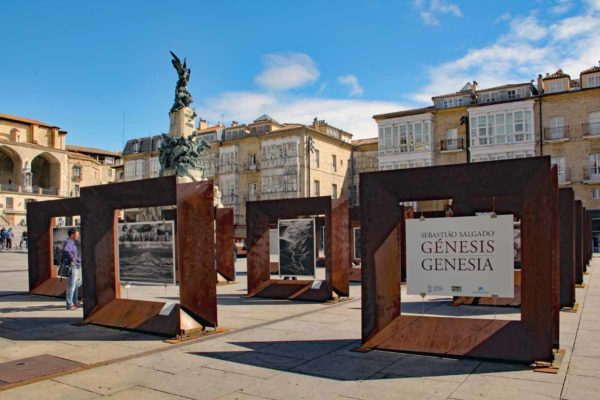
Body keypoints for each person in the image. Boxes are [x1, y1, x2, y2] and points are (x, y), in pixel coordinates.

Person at [62, 228, 82, 310]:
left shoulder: (71, 243)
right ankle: (69, 304)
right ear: (72, 235)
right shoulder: (69, 243)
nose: (78, 236)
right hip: (73, 266)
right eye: (77, 234)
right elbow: (66, 250)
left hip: (76, 266)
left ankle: (75, 301)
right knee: (72, 285)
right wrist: (72, 258)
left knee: (76, 285)